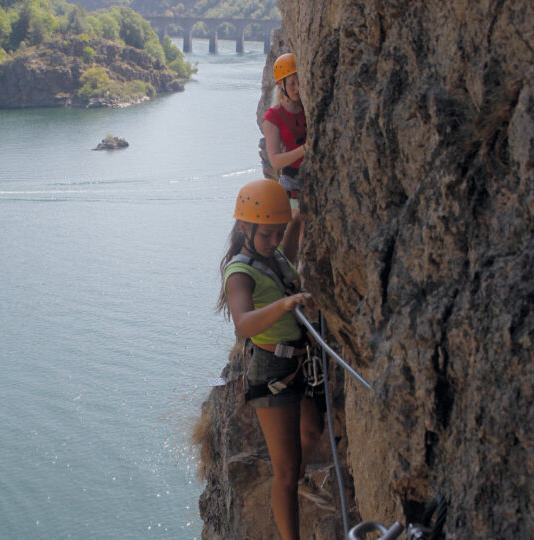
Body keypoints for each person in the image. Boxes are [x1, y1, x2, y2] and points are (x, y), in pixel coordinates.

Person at [216, 179, 324, 540]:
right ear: (244, 227)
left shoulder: (271, 254)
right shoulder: (239, 272)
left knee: (311, 431)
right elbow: (244, 324)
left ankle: (298, 481)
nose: (275, 242)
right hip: (272, 369)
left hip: (299, 362)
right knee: (286, 469)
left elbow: (285, 261)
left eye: (278, 233)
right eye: (267, 235)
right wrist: (283, 305)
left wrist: (296, 223)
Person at [263, 52, 307, 209]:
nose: (297, 88)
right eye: (292, 83)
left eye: (299, 82)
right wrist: (305, 149)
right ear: (280, 85)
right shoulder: (273, 117)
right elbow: (275, 161)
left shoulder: (307, 108)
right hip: (291, 182)